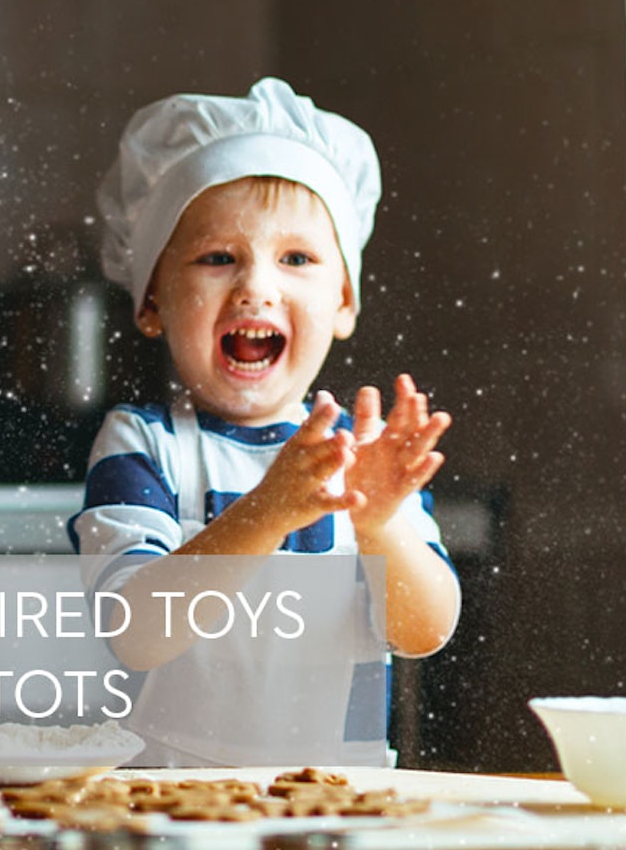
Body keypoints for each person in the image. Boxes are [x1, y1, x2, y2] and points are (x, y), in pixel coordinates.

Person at [71, 77, 461, 767]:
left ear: (343, 302)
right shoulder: (143, 444)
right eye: (218, 258)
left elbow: (424, 630)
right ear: (153, 299)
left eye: (297, 260)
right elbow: (133, 631)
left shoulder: (362, 459)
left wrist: (378, 525)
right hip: (168, 809)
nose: (256, 286)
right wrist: (266, 513)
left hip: (340, 807)